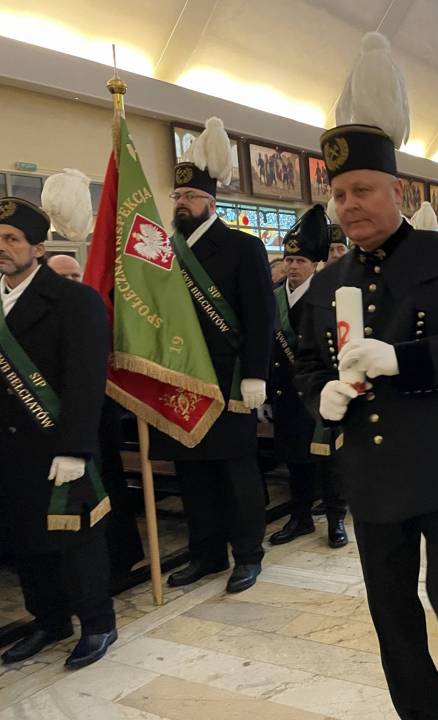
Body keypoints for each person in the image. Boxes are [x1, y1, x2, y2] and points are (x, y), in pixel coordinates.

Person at [294, 33, 438, 720]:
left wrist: (404, 359)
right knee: (393, 621)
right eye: (339, 194)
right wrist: (320, 395)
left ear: (398, 188)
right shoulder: (327, 282)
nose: (349, 205)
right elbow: (307, 364)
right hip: (371, 477)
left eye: (363, 190)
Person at [152, 118, 275, 595]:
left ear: (212, 203)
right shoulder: (166, 251)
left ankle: (247, 554)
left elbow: (261, 315)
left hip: (230, 378)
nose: (182, 204)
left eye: (191, 197)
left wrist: (256, 374)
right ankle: (205, 554)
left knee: (235, 471)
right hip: (183, 378)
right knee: (193, 472)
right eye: (177, 197)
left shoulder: (243, 247)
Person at [0, 193, 117, 669]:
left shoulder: (74, 300)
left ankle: (98, 623)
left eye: (12, 239)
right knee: (26, 539)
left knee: (75, 540)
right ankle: (49, 621)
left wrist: (75, 449)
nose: (2, 247)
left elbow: (86, 380)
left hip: (58, 444)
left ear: (38, 248)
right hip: (10, 448)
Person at [47, 253, 144, 575]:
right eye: (62, 277)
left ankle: (119, 558)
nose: (70, 282)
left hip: (97, 418)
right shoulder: (35, 313)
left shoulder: (91, 308)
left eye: (75, 276)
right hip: (49, 423)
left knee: (108, 485)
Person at [266, 205, 348, 549]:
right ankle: (300, 517)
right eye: (288, 259)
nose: (292, 266)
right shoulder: (273, 297)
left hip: (319, 392)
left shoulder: (329, 296)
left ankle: (336, 517)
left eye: (300, 260)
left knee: (328, 461)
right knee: (295, 460)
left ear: (315, 263)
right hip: (285, 393)